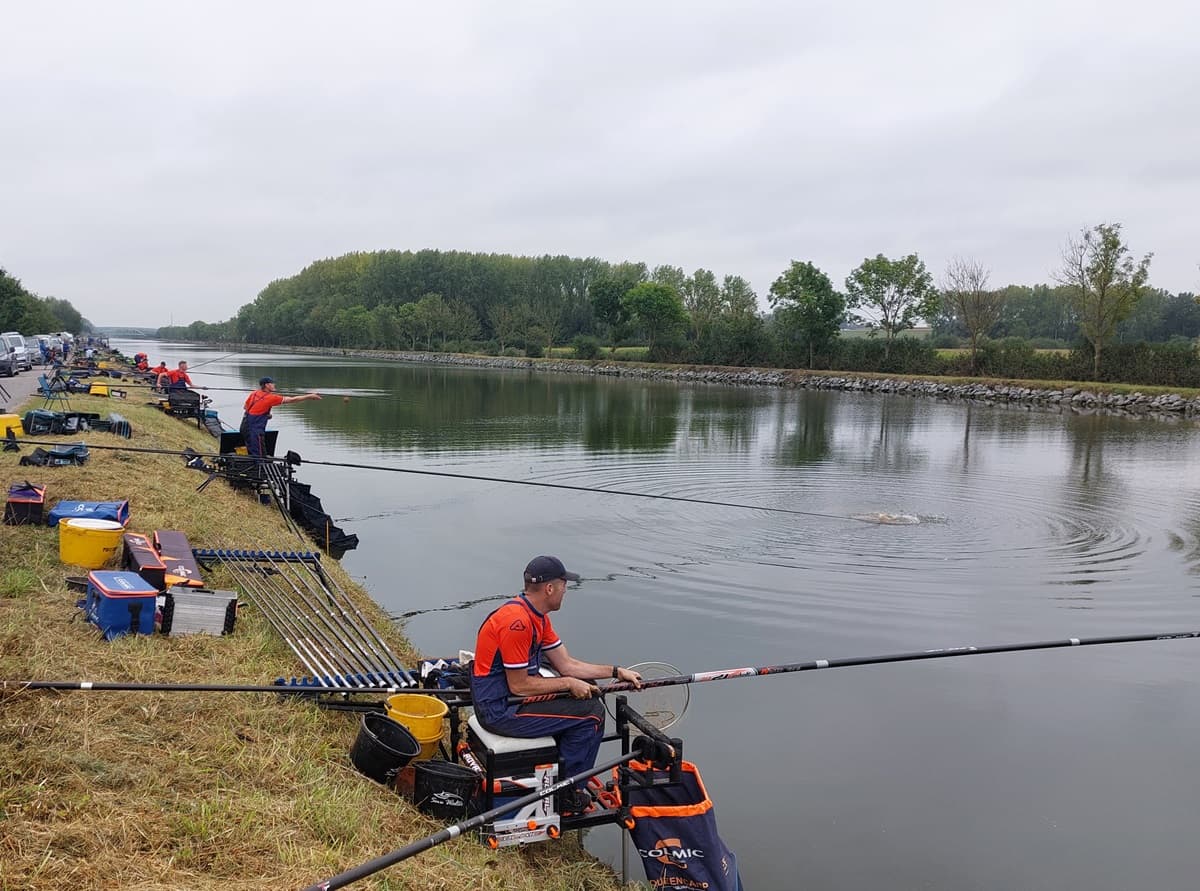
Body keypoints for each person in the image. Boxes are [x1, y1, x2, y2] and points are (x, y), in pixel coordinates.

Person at [471, 555, 642, 813]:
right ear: (550, 588)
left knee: (587, 692)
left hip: (511, 700)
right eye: (564, 585)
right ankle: (566, 793)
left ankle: (561, 776)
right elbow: (519, 685)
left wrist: (616, 671)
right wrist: (568, 684)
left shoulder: (537, 617)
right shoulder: (516, 623)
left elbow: (568, 666)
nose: (566, 591)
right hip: (499, 709)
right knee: (592, 716)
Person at [240, 376, 322, 458]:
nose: (274, 385)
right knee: (259, 456)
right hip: (255, 431)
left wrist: (265, 415)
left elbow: (246, 408)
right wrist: (309, 396)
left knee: (253, 452)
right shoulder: (270, 398)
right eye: (272, 383)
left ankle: (254, 467)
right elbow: (291, 400)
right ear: (267, 385)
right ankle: (259, 469)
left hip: (244, 427)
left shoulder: (254, 393)